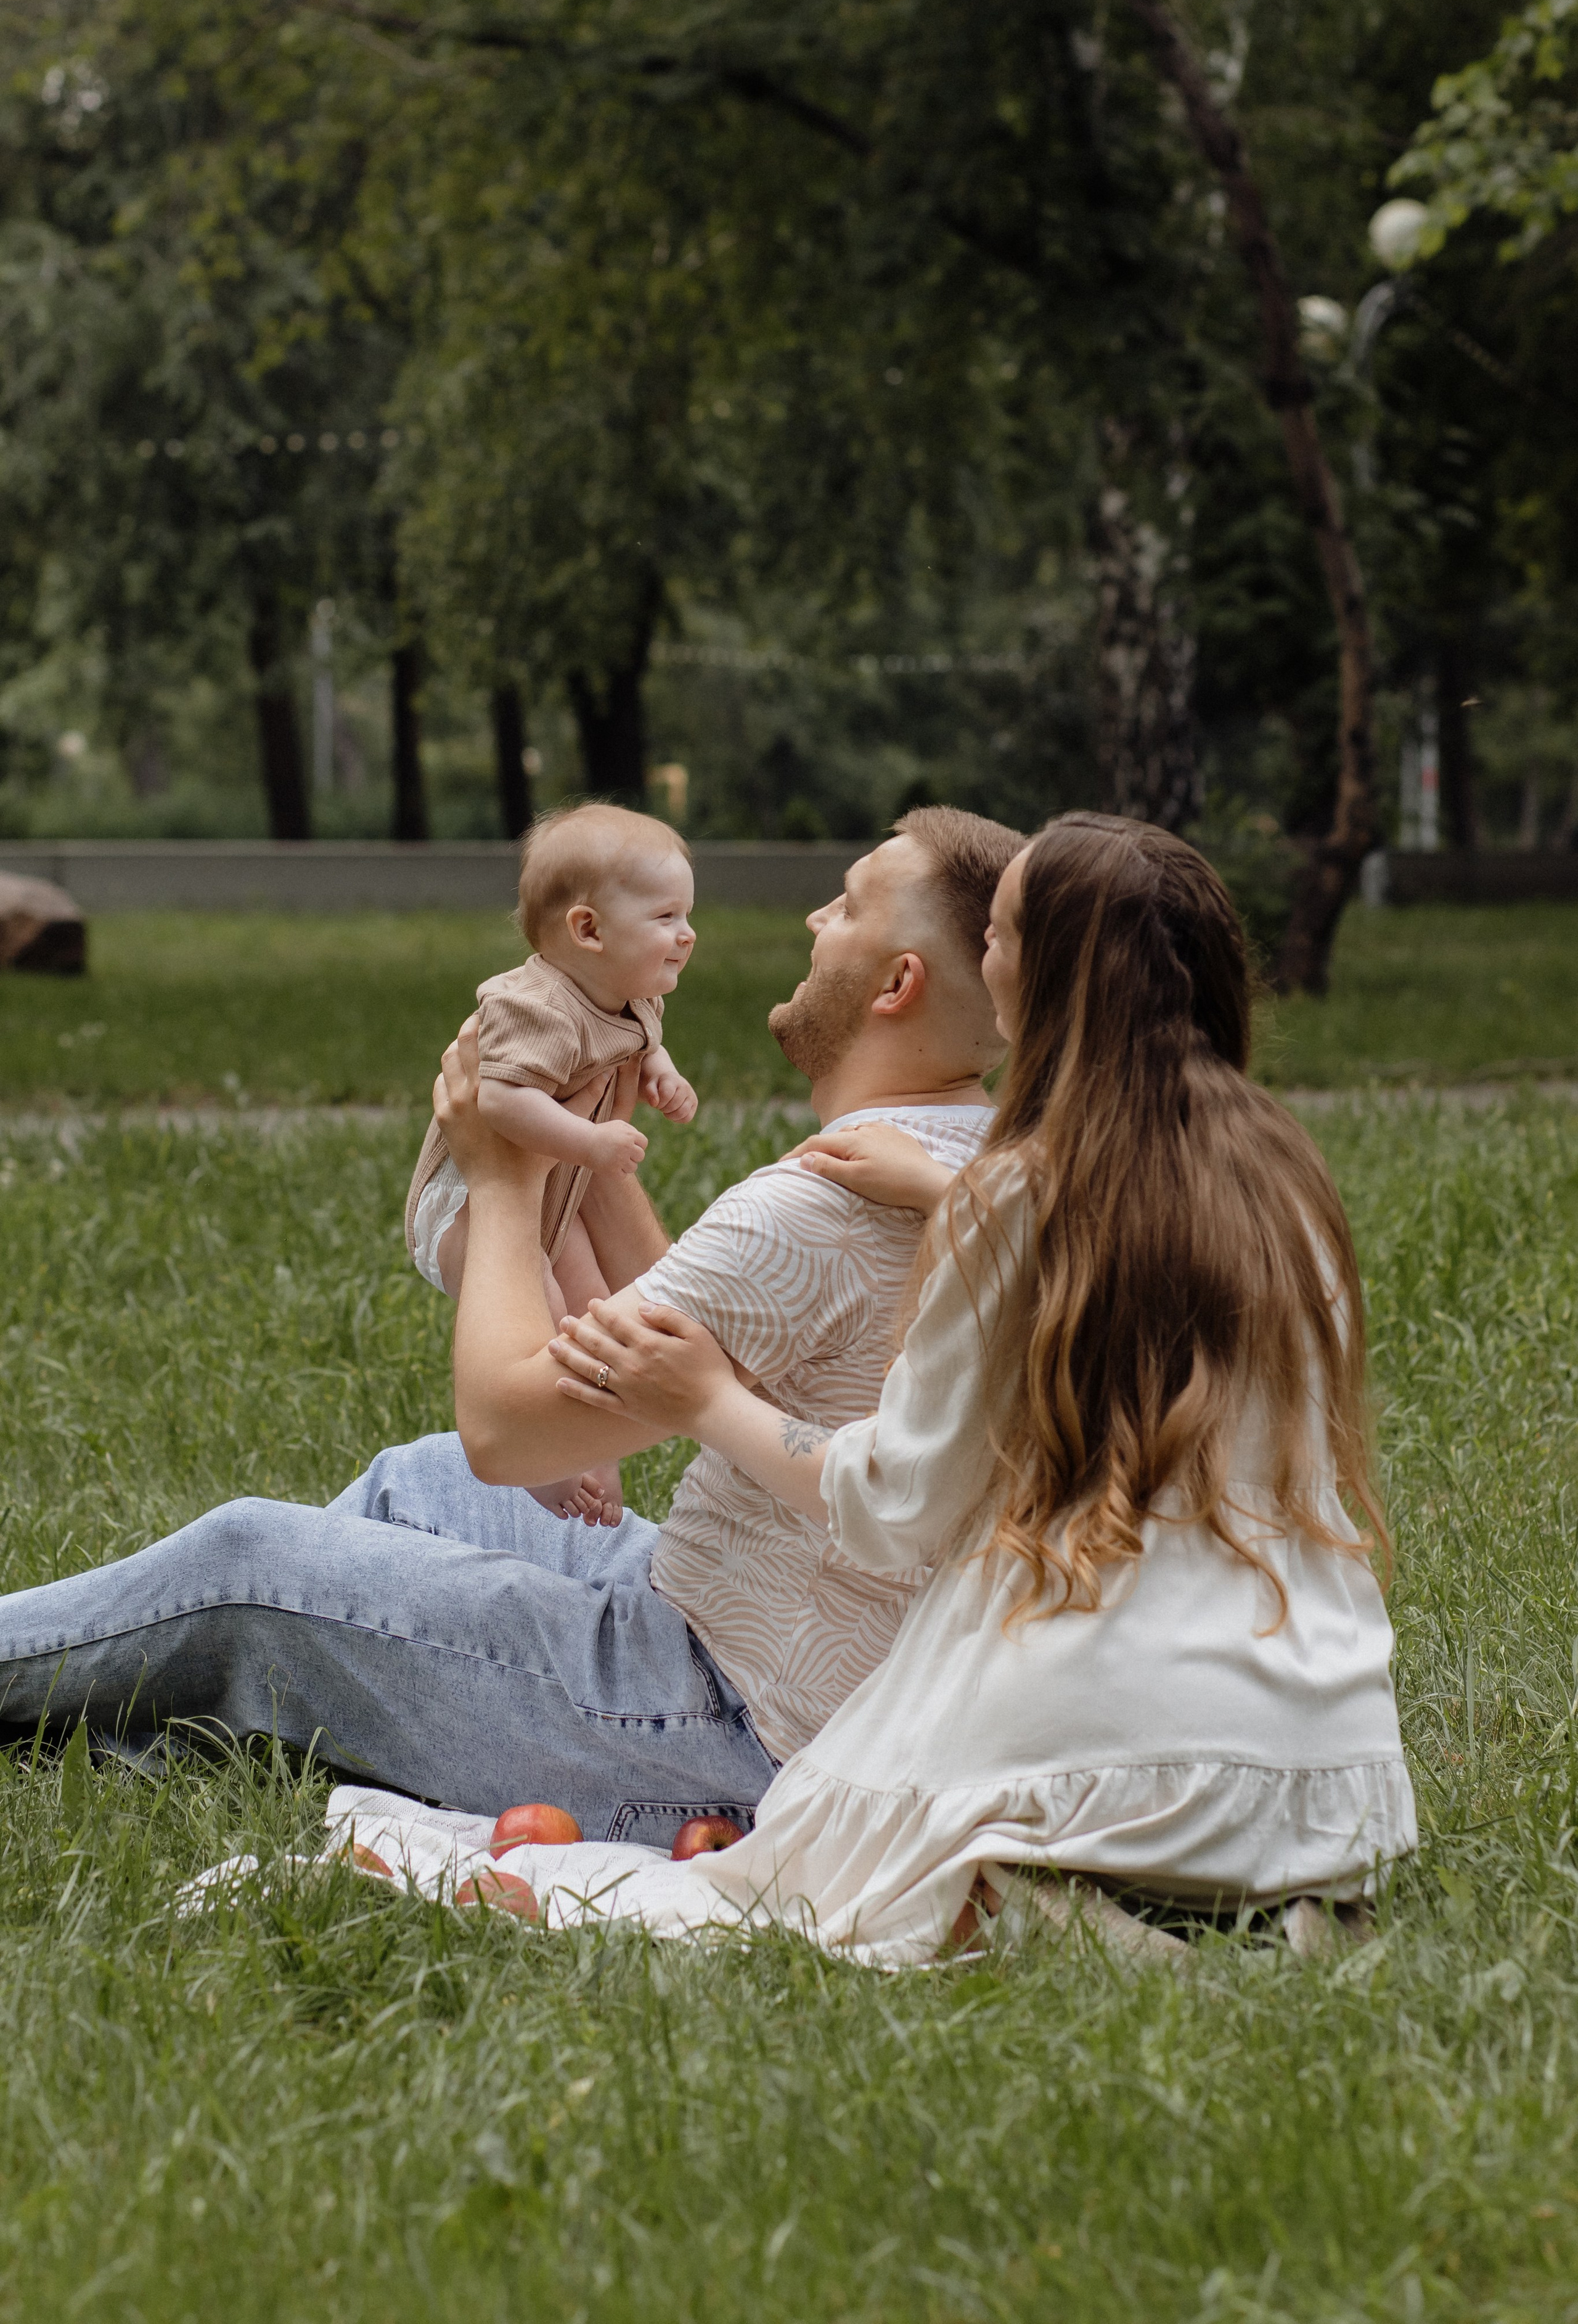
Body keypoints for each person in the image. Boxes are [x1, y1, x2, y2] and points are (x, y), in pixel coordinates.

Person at [0, 808, 1024, 1852]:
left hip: (720, 1726)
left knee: (248, 1564)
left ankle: (205, 1680)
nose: (814, 916)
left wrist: (504, 1176)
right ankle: (233, 1713)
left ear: (897, 985)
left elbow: (511, 1435)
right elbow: (728, 1339)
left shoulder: (825, 1203)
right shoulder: (989, 1170)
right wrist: (581, 1131)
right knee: (418, 1485)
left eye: (846, 905)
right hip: (758, 1640)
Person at [539, 814, 1419, 1963]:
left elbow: (901, 1501)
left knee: (810, 1862)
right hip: (1329, 1780)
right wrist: (956, 1202)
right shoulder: (1284, 1179)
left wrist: (707, 1397)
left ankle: (1065, 1906)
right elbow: (1105, 1264)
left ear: (1043, 974)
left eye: (1000, 936)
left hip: (1119, 1763)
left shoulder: (1018, 1198)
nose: (986, 957)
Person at [405, 804, 701, 1527]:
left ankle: (594, 1458)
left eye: (687, 915)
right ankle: (540, 1469)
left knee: (596, 1309)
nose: (687, 934)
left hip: (547, 1201)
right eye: (665, 916)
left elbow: (641, 1042)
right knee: (548, 1309)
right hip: (469, 1201)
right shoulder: (533, 1005)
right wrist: (593, 1144)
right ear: (588, 930)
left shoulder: (629, 994)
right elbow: (499, 1104)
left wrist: (662, 1072)